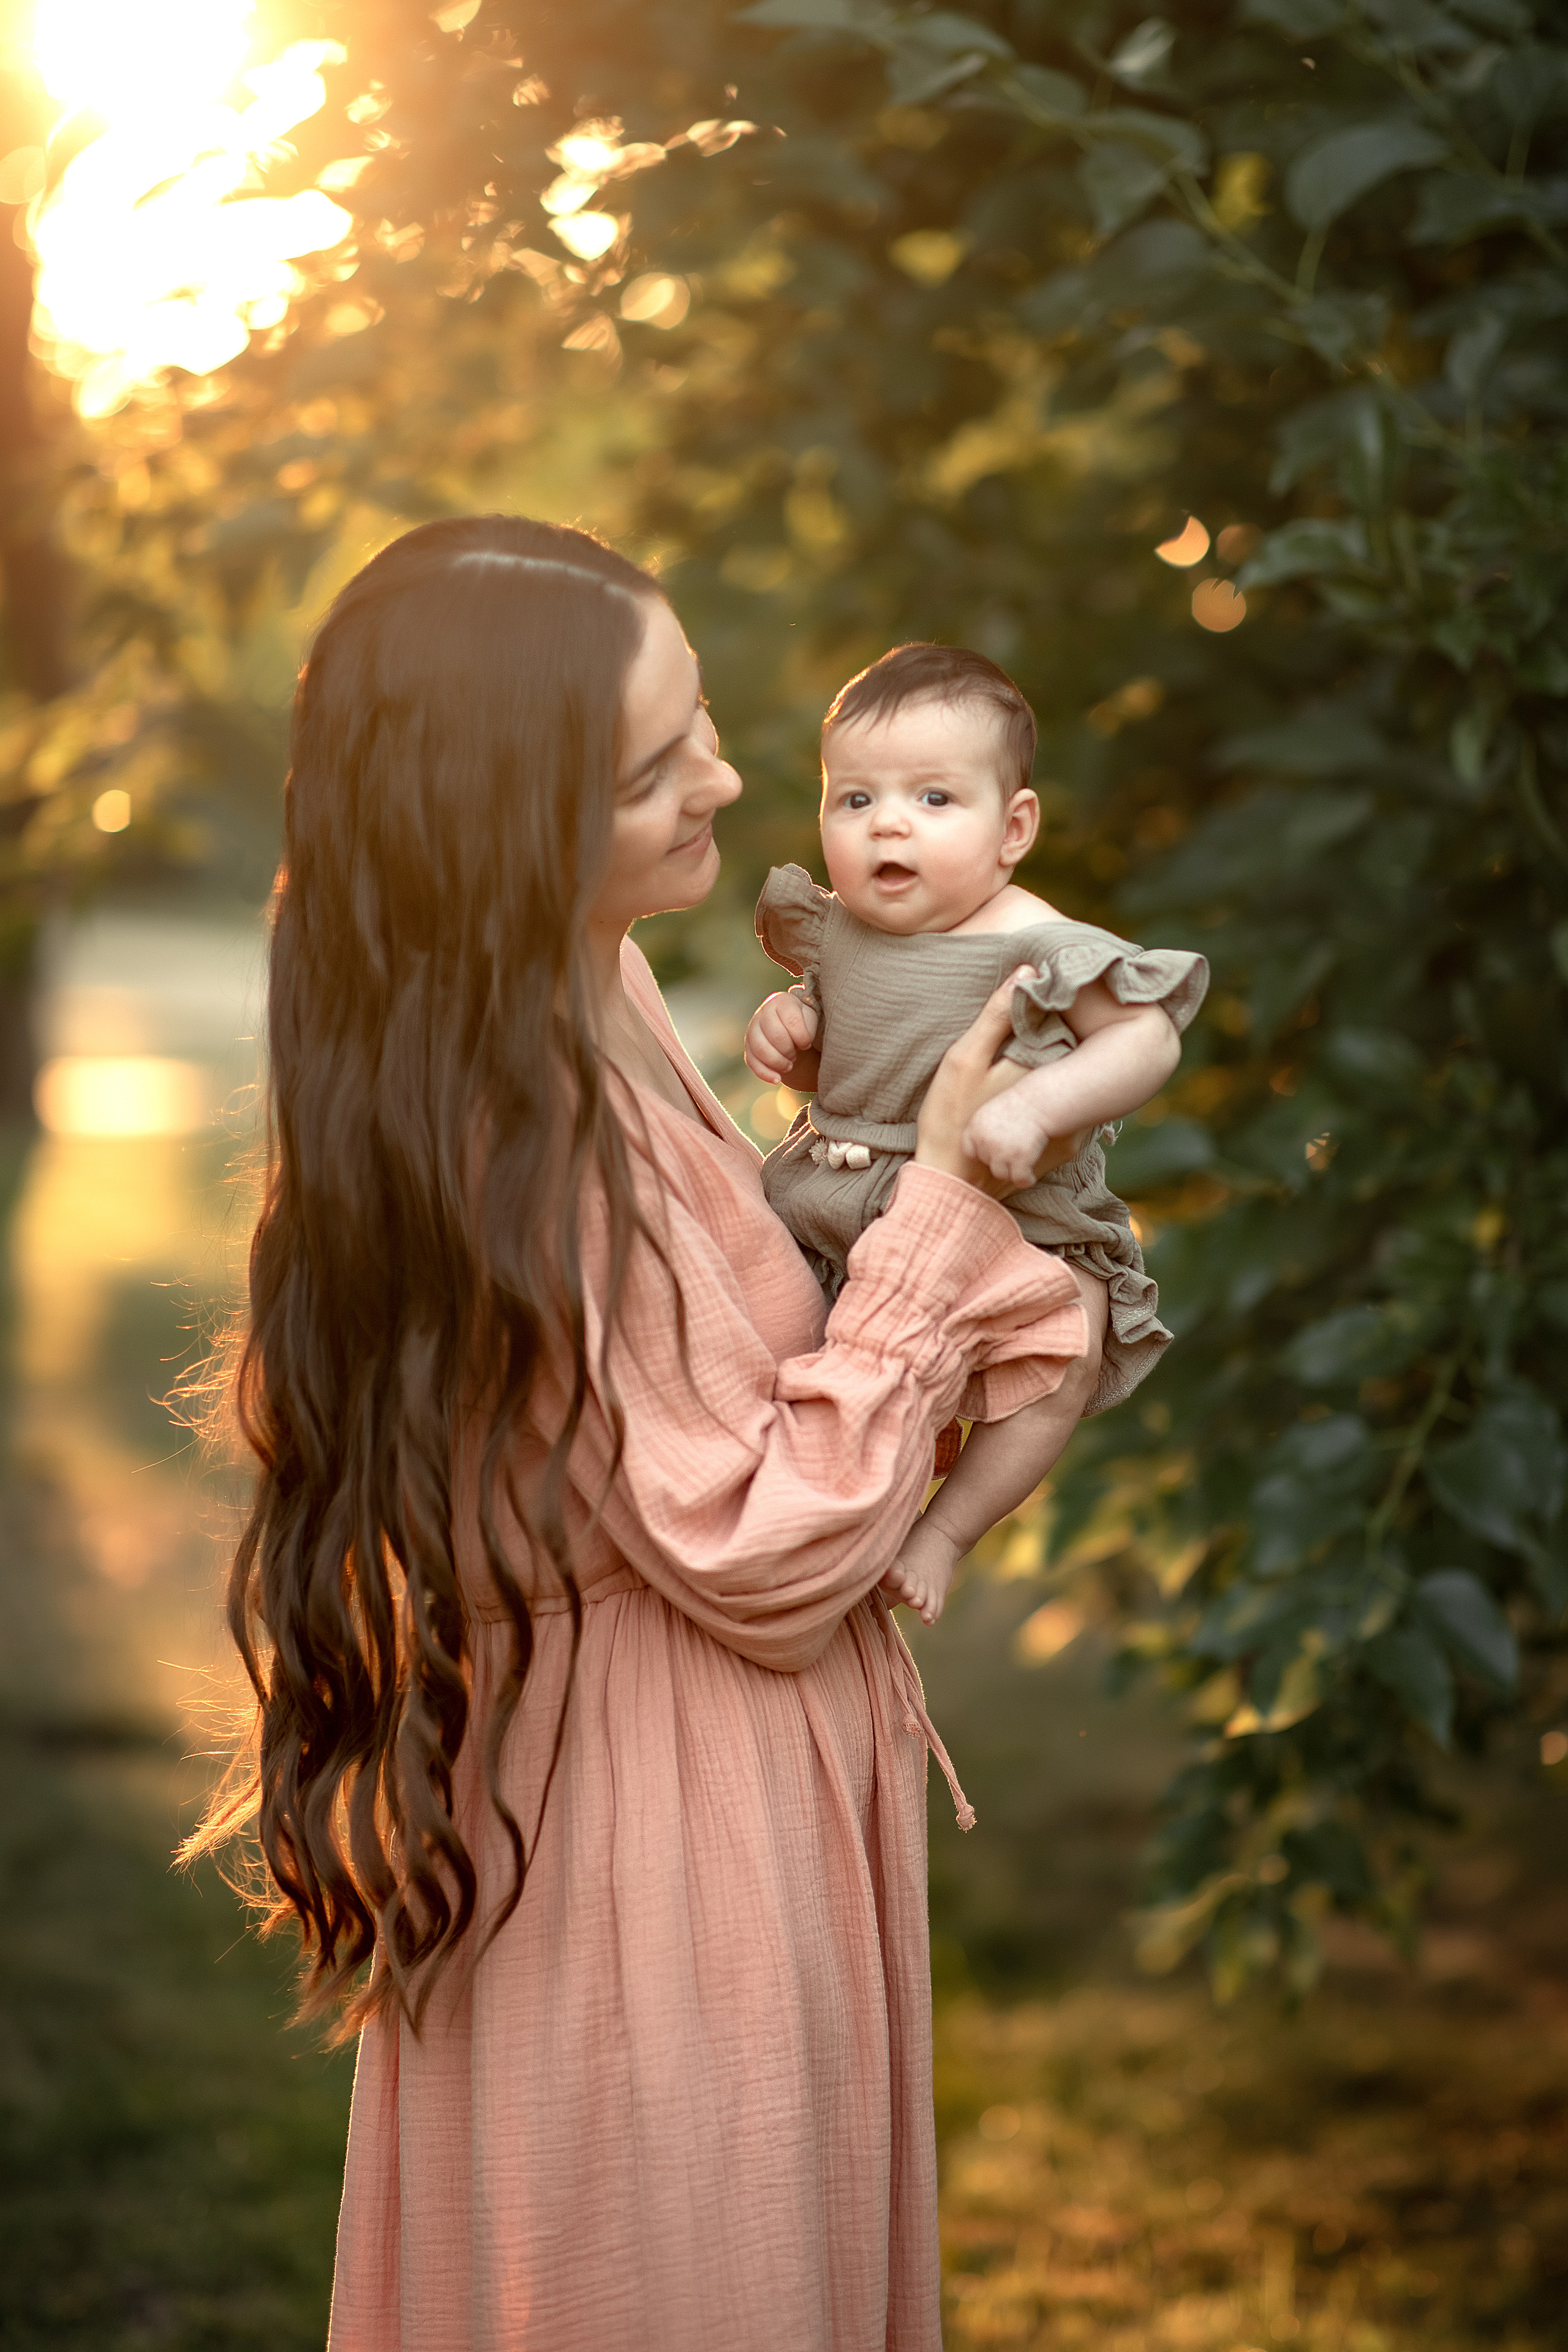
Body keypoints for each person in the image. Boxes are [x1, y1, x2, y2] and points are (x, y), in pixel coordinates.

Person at [191, 517, 1093, 2352]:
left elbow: (690, 1375)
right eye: (655, 768)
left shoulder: (573, 984)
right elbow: (770, 1550)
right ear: (508, 830)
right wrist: (934, 1210)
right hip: (657, 1868)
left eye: (698, 718)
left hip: (687, 1809)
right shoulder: (518, 1126)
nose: (732, 781)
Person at [743, 644, 1209, 1628]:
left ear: (1014, 828)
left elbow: (1147, 1038)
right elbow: (848, 1066)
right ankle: (800, 1504)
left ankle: (946, 1531)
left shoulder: (1030, 939)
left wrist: (1042, 1106)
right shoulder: (841, 934)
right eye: (855, 799)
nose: (890, 824)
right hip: (841, 1199)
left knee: (1068, 1347)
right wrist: (794, 1036)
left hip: (1018, 1219)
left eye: (935, 800)